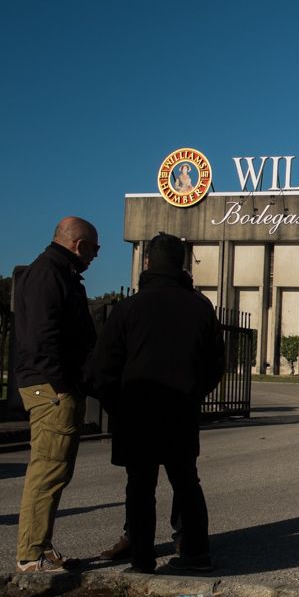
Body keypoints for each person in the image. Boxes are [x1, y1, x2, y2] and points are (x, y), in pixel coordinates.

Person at [85, 233, 224, 574]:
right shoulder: (200, 307)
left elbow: (103, 369)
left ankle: (142, 559)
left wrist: (117, 405)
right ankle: (196, 553)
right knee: (186, 482)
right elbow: (215, 365)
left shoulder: (128, 309)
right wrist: (193, 393)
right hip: (180, 409)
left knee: (140, 486)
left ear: (147, 262)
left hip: (136, 410)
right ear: (182, 263)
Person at [12, 216, 100, 572]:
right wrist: (63, 386)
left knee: (55, 471)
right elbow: (42, 338)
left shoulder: (57, 272)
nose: (96, 256)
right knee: (48, 471)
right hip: (51, 389)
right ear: (79, 245)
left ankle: (40, 545)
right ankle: (30, 555)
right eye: (94, 248)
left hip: (53, 386)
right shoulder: (49, 274)